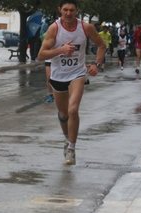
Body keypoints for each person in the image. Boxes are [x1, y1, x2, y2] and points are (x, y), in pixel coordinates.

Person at [38, 0, 106, 165]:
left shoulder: (86, 27)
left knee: (73, 109)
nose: (68, 14)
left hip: (77, 73)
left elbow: (102, 45)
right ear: (60, 10)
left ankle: (72, 150)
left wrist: (97, 65)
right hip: (58, 74)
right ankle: (67, 140)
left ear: (77, 11)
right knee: (64, 114)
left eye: (72, 10)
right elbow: (41, 55)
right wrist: (61, 49)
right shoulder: (54, 28)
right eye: (65, 10)